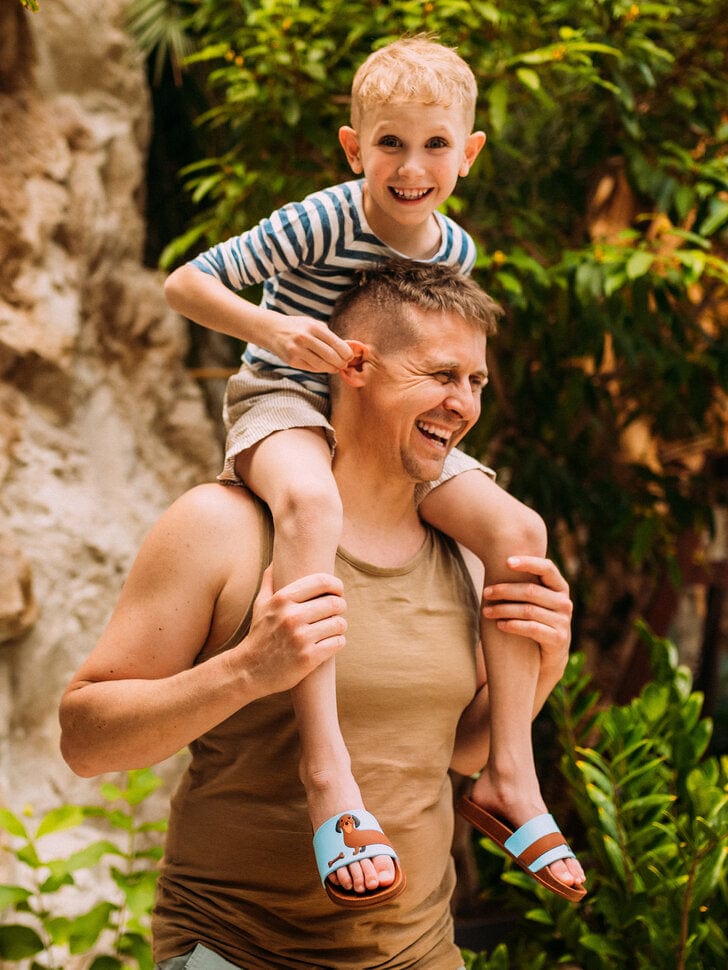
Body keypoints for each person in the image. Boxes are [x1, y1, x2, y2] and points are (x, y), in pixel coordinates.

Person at [60, 262, 583, 970]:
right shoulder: (224, 528)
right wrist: (247, 670)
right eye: (438, 375)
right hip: (238, 951)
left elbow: (454, 751)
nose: (462, 404)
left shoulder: (467, 553)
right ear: (354, 367)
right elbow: (86, 742)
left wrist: (543, 662)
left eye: (476, 382)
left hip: (420, 952)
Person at [163, 37, 581, 903]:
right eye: (389, 143)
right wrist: (275, 333)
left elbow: (430, 353)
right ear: (355, 148)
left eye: (434, 145)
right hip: (284, 400)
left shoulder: (453, 253)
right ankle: (328, 772)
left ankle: (509, 773)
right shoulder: (320, 218)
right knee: (311, 505)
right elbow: (186, 285)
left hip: (386, 416)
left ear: (466, 154)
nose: (411, 166)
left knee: (519, 530)